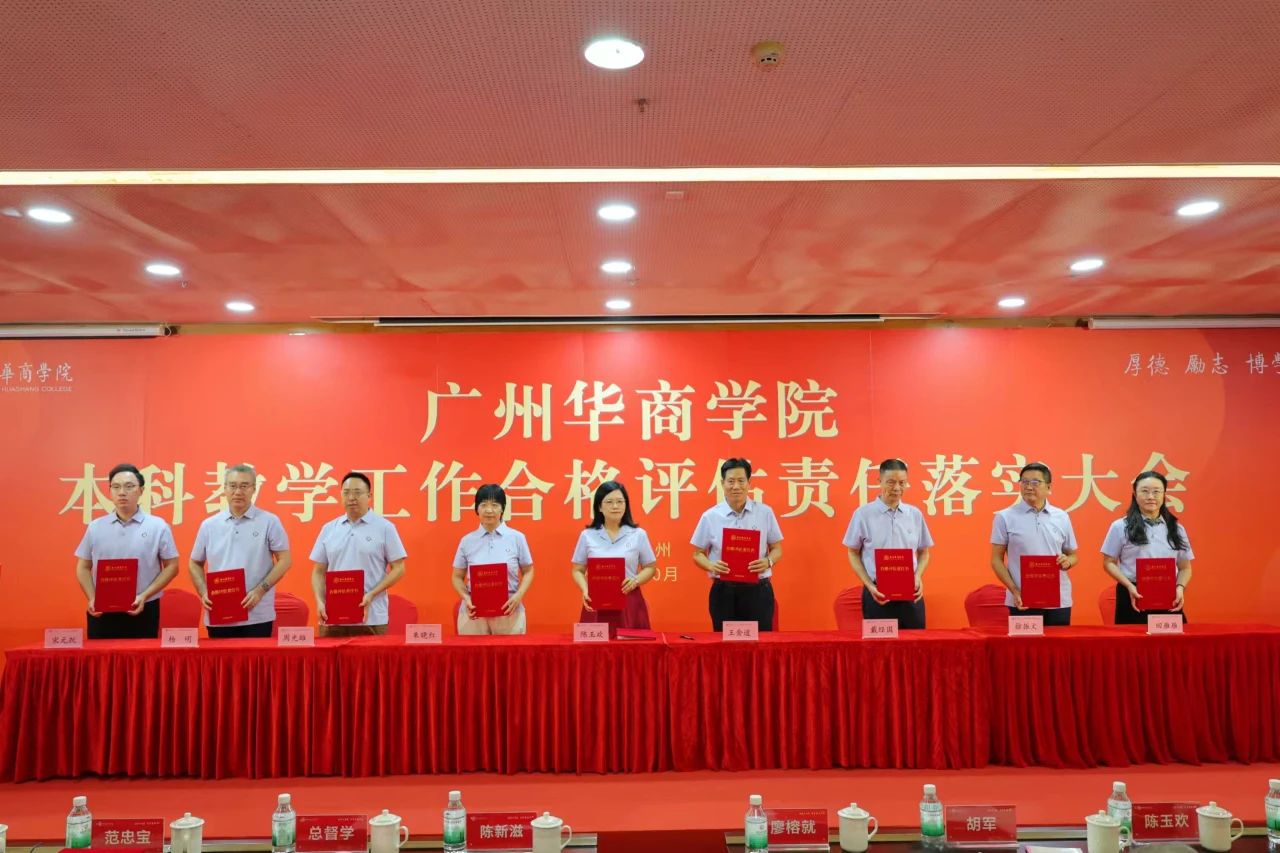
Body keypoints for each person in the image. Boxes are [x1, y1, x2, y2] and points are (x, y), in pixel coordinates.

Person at [73, 463, 180, 639]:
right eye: (116, 487)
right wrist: (92, 597)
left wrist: (144, 595)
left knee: (142, 657)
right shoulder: (96, 527)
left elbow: (172, 566)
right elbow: (83, 567)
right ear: (110, 491)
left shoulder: (158, 526)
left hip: (143, 608)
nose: (122, 492)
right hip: (102, 610)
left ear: (141, 490)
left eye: (129, 486)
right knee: (101, 656)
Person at [188, 464, 292, 638]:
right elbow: (194, 562)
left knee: (256, 657)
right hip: (219, 612)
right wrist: (203, 591)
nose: (238, 492)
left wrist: (260, 590)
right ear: (224, 489)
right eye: (233, 486)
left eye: (244, 486)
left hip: (257, 614)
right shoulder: (209, 525)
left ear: (254, 489)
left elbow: (285, 560)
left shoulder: (269, 521)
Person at [309, 471, 407, 637]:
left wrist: (372, 594)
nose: (351, 498)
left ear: (369, 496)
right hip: (332, 617)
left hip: (372, 617)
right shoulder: (329, 529)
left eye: (357, 492)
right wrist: (319, 601)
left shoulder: (384, 527)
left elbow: (399, 568)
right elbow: (318, 571)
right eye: (346, 493)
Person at [691, 458, 783, 631]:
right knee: (726, 644)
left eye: (741, 481)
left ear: (749, 483)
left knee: (760, 643)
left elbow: (777, 549)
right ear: (722, 483)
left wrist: (768, 561)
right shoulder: (710, 516)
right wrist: (711, 565)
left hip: (758, 591)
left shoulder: (765, 513)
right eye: (731, 481)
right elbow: (697, 554)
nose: (736, 486)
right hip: (724, 592)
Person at [842, 459, 934, 629]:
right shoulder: (863, 515)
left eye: (902, 483)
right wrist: (869, 585)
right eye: (891, 482)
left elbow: (924, 552)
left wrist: (918, 576)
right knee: (880, 645)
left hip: (911, 593)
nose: (897, 488)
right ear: (880, 481)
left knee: (915, 643)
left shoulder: (914, 514)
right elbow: (852, 552)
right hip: (877, 594)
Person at [989, 461, 1079, 625]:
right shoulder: (1005, 517)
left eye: (1035, 482)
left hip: (1059, 599)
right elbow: (996, 559)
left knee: (1058, 641)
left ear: (1049, 487)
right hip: (1022, 599)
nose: (1029, 487)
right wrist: (1014, 590)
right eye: (1024, 482)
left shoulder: (1061, 516)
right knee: (1025, 642)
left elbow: (1073, 555)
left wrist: (1067, 562)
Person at [1101, 470, 1193, 624]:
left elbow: (1185, 567)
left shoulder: (1176, 528)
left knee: (1170, 638)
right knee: (1132, 639)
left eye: (1156, 491)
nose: (1151, 497)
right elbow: (1108, 562)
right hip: (1133, 593)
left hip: (1168, 594)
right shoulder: (1120, 526)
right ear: (1135, 495)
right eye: (1144, 491)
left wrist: (1180, 588)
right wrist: (1128, 585)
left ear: (1164, 495)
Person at [571, 481, 656, 632]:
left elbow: (650, 567)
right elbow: (577, 570)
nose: (615, 506)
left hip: (629, 600)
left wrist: (635, 580)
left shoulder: (638, 534)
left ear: (626, 505)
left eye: (620, 502)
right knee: (595, 645)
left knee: (632, 645)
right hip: (595, 601)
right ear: (599, 507)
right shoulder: (587, 535)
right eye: (609, 502)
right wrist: (585, 589)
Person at [452, 484, 535, 635]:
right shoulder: (467, 541)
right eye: (483, 505)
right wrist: (466, 598)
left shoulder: (517, 538)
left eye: (495, 505)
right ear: (477, 509)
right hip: (473, 613)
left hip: (509, 610)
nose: (489, 510)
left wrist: (518, 596)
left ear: (502, 509)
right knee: (472, 651)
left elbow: (528, 571)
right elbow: (457, 576)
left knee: (511, 651)